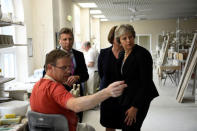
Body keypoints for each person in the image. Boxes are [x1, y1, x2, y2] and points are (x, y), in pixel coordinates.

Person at [30, 49, 127, 131]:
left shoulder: (37, 86)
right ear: (49, 68)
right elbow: (76, 106)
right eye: (64, 68)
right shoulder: (54, 88)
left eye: (70, 67)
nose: (69, 71)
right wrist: (107, 92)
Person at [114, 24, 159, 131]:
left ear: (134, 37)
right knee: (126, 127)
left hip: (140, 98)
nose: (128, 40)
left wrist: (135, 107)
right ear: (119, 40)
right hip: (127, 96)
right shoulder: (121, 54)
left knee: (131, 127)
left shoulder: (142, 54)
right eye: (124, 38)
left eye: (130, 37)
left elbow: (146, 82)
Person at [43, 27, 89, 122]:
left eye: (70, 39)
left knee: (77, 123)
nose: (68, 42)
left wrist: (77, 77)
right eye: (65, 39)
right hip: (59, 95)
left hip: (76, 94)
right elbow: (46, 77)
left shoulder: (79, 55)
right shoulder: (51, 56)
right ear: (59, 41)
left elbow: (86, 75)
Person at [98, 26, 123, 131]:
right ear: (112, 38)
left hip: (124, 95)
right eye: (118, 37)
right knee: (109, 124)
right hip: (107, 94)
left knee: (127, 124)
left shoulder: (129, 53)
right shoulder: (103, 53)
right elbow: (101, 73)